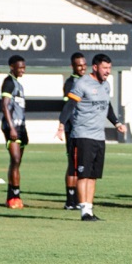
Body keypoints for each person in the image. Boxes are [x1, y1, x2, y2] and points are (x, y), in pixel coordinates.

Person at [55, 53, 127, 221]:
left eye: (109, 68)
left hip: (98, 136)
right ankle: (84, 211)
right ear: (95, 67)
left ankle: (90, 209)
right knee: (83, 174)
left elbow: (107, 106)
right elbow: (70, 105)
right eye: (105, 68)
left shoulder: (106, 85)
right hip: (82, 135)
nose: (108, 71)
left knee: (93, 175)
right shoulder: (82, 83)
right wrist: (61, 125)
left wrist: (116, 123)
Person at [60, 52, 85, 210]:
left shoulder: (85, 81)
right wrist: (69, 126)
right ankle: (70, 200)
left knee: (80, 164)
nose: (82, 67)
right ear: (72, 66)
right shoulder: (71, 83)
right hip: (73, 130)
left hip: (83, 130)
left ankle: (77, 197)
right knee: (73, 164)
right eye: (79, 65)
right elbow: (68, 108)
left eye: (84, 64)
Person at [1, 55, 27, 209]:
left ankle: (12, 196)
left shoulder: (19, 84)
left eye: (24, 67)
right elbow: (5, 106)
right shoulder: (8, 82)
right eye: (20, 67)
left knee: (16, 162)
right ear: (12, 67)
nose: (22, 70)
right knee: (15, 160)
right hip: (12, 128)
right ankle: (14, 197)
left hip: (21, 127)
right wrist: (11, 127)